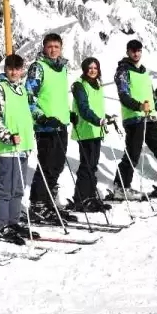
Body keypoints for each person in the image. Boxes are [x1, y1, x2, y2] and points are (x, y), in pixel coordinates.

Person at [113, 39, 157, 198]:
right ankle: (120, 187)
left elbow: (152, 98)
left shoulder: (144, 72)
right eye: (132, 50)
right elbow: (123, 96)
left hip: (149, 118)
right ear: (127, 52)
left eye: (138, 50)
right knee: (133, 154)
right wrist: (138, 106)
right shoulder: (123, 71)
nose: (136, 53)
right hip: (134, 119)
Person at [0, 54, 35, 244]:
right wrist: (7, 136)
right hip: (8, 146)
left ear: (22, 70)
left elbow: (25, 115)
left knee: (18, 188)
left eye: (17, 69)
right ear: (5, 69)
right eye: (10, 69)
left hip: (22, 146)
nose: (14, 72)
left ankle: (13, 222)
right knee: (5, 188)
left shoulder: (21, 89)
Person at [26, 34, 74, 224]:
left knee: (57, 166)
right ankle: (37, 205)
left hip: (60, 125)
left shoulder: (61, 68)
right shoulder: (38, 68)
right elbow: (29, 96)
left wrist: (69, 114)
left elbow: (57, 97)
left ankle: (48, 203)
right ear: (44, 48)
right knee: (46, 166)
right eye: (49, 47)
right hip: (45, 126)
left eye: (56, 46)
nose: (53, 50)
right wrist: (42, 117)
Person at [70, 57, 115, 212]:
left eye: (95, 67)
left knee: (92, 166)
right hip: (85, 129)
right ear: (84, 69)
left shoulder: (97, 85)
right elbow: (83, 108)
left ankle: (90, 196)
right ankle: (81, 199)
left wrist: (105, 117)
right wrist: (97, 120)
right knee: (86, 166)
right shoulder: (79, 85)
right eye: (90, 67)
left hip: (96, 130)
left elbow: (96, 107)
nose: (93, 70)